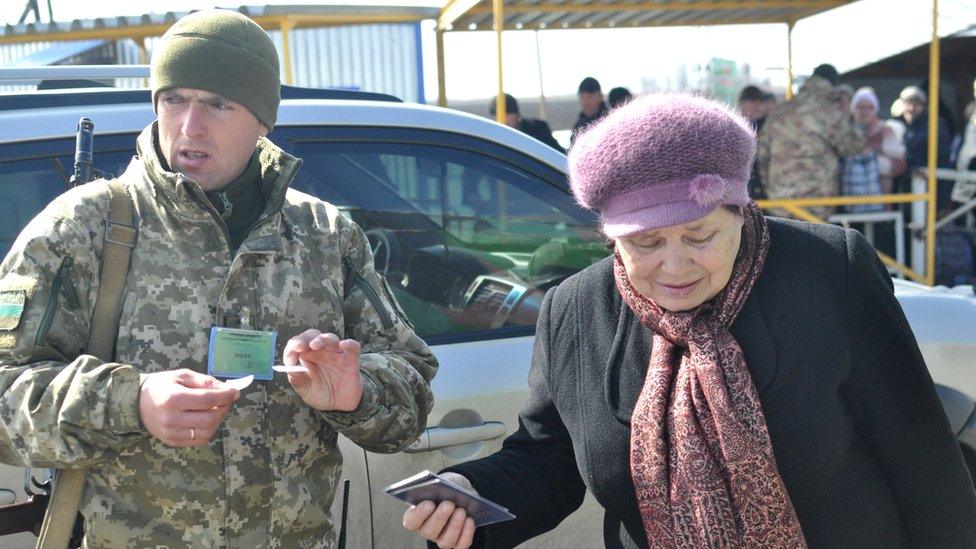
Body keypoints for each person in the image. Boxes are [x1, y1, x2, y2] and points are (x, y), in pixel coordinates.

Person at [402, 93, 976, 548]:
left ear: (740, 210)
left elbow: (924, 461)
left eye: (700, 236)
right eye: (646, 243)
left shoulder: (829, 271)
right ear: (610, 237)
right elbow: (548, 457)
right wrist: (470, 494)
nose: (674, 266)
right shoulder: (576, 312)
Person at [0, 10, 437, 547]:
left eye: (218, 104)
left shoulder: (325, 235)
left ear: (262, 122)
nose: (190, 126)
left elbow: (411, 395)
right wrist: (130, 400)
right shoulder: (83, 229)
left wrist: (355, 391)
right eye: (174, 99)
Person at [757, 63, 865, 218]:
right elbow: (853, 146)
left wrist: (771, 188)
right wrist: (848, 113)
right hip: (816, 201)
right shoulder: (829, 111)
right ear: (833, 84)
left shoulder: (780, 111)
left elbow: (762, 155)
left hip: (780, 200)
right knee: (814, 241)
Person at [844, 87, 906, 208]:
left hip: (881, 201)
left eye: (869, 108)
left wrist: (873, 161)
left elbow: (899, 165)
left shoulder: (886, 131)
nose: (865, 112)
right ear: (853, 109)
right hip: (852, 201)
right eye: (860, 107)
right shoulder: (846, 131)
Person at [900, 85, 953, 208]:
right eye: (908, 103)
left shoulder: (935, 125)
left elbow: (943, 158)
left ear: (924, 106)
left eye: (916, 104)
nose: (911, 108)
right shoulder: (906, 127)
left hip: (932, 191)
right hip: (912, 190)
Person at [489, 93, 563, 153]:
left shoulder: (537, 129)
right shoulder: (491, 139)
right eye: (496, 116)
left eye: (507, 114)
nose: (502, 119)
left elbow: (557, 154)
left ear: (516, 114)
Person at [570, 76, 608, 145]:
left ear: (600, 97)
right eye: (582, 97)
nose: (586, 101)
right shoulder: (578, 127)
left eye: (590, 96)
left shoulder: (609, 121)